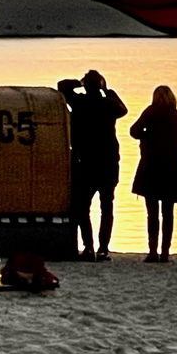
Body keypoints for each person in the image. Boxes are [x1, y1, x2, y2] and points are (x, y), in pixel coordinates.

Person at [63, 69, 128, 261]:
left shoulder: (79, 102)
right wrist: (107, 90)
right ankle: (103, 248)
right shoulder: (108, 104)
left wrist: (79, 83)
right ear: (100, 85)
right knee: (107, 207)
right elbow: (123, 109)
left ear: (86, 85)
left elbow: (62, 86)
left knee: (83, 207)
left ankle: (89, 247)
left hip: (85, 161)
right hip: (108, 162)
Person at [130, 85, 177, 263]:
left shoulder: (150, 113)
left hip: (151, 165)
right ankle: (165, 252)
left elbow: (134, 131)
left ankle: (152, 251)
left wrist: (147, 137)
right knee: (168, 212)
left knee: (152, 212)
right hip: (173, 167)